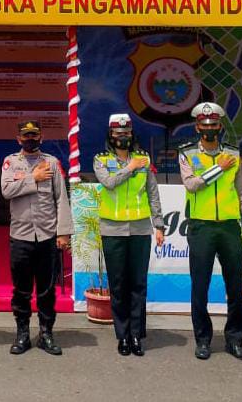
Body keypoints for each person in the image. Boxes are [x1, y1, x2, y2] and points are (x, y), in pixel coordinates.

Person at [179, 102, 242, 362]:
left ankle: (235, 340)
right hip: (201, 227)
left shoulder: (233, 153)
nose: (209, 129)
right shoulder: (187, 153)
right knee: (200, 286)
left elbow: (241, 193)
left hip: (230, 227)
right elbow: (192, 186)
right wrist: (218, 169)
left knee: (234, 286)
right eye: (204, 125)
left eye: (213, 125)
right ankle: (202, 340)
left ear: (220, 126)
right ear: (197, 127)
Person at [92, 114, 164, 357]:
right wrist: (129, 168)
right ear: (110, 136)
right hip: (113, 230)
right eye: (117, 133)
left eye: (126, 132)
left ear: (132, 134)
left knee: (138, 284)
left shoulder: (144, 159)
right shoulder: (101, 159)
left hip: (140, 229)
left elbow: (152, 193)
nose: (122, 137)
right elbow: (109, 183)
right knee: (119, 284)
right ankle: (122, 336)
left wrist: (159, 224)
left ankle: (136, 334)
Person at [0, 119, 72, 356]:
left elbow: (61, 199)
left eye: (34, 136)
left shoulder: (51, 163)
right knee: (21, 290)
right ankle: (22, 334)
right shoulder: (10, 162)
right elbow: (6, 191)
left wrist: (63, 233)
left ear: (41, 138)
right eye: (25, 136)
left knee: (46, 289)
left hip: (47, 235)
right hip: (20, 235)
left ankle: (46, 333)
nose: (30, 139)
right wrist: (33, 178)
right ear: (18, 139)